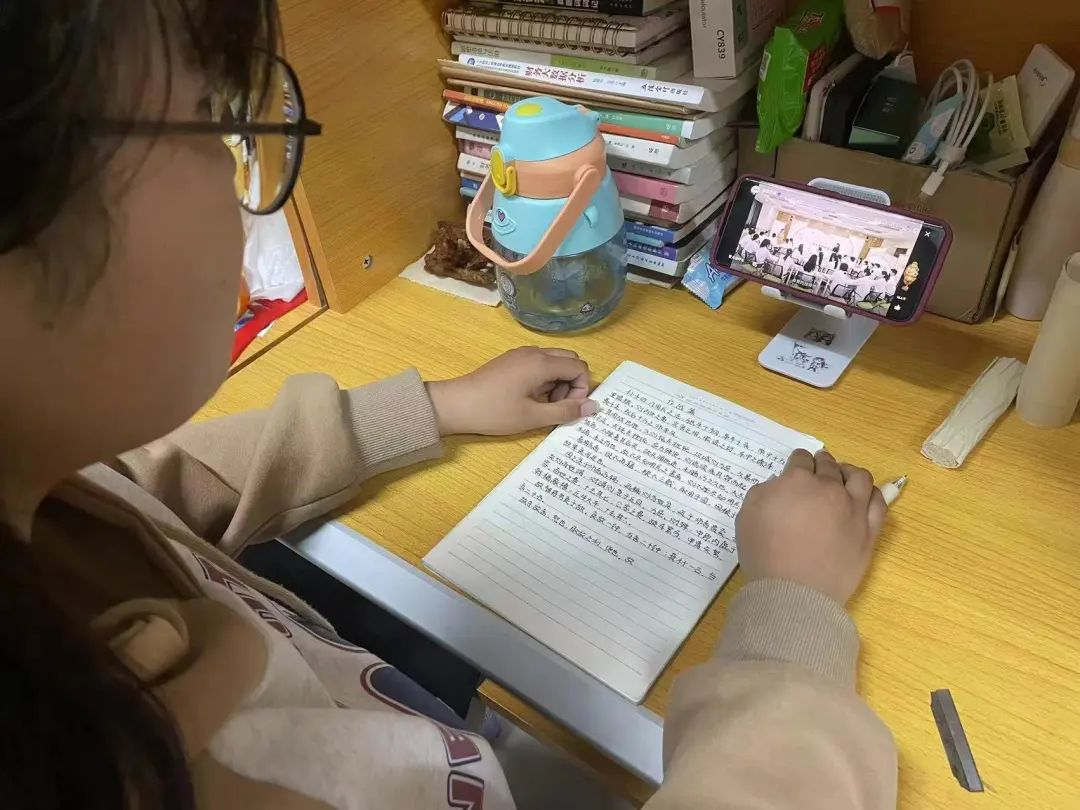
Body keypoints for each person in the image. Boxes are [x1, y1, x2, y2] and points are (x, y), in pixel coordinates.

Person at [0, 3, 896, 809]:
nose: (240, 177)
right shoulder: (116, 768)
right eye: (207, 119)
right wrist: (788, 627)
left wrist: (433, 407)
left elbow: (142, 487)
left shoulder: (43, 491)